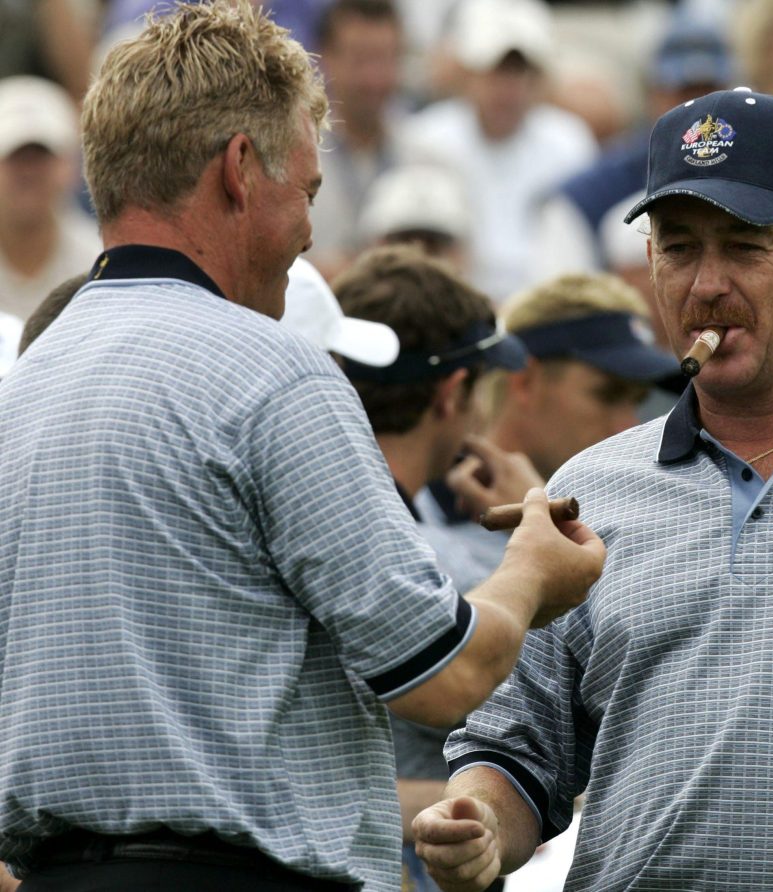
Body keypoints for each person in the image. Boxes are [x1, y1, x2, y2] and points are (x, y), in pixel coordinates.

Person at [0, 4, 606, 891]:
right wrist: (531, 571)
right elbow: (440, 676)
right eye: (310, 191)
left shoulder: (29, 383)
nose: (311, 232)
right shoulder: (272, 369)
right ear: (242, 170)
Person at [412, 87, 773, 891]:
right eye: (677, 247)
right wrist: (479, 821)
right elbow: (516, 750)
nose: (705, 284)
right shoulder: (588, 491)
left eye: (744, 246)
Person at [332, 244, 530, 892]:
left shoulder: (315, 510)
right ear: (451, 394)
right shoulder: (424, 554)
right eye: (481, 388)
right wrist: (531, 534)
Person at [415, 271, 681, 590]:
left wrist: (541, 525)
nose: (628, 425)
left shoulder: (643, 513)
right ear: (525, 381)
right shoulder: (413, 518)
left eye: (637, 401)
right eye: (607, 395)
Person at [397, 0, 597, 302]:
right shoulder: (427, 140)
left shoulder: (568, 141)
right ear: (468, 73)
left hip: (548, 308)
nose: (508, 88)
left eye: (519, 72)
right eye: (495, 71)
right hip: (456, 305)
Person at [532, 12, 733, 279]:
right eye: (684, 92)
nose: (698, 108)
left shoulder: (756, 173)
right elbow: (564, 298)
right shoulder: (588, 196)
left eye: (709, 91)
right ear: (653, 94)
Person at [305, 0, 408, 279]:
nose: (373, 79)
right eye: (360, 60)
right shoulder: (292, 160)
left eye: (385, 59)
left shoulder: (428, 161)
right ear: (325, 58)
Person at [0, 75, 101, 322]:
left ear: (69, 166)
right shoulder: (100, 261)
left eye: (41, 156)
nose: (27, 172)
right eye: (15, 158)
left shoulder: (97, 262)